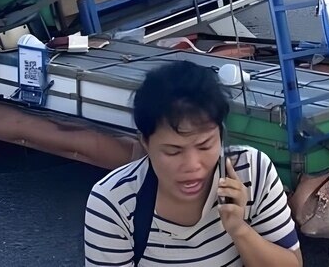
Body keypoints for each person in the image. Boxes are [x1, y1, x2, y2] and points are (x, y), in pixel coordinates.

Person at [83, 61, 303, 267]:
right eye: (173, 151)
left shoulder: (253, 172)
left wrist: (239, 229)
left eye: (205, 146)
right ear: (145, 143)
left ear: (221, 134)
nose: (192, 165)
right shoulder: (113, 203)